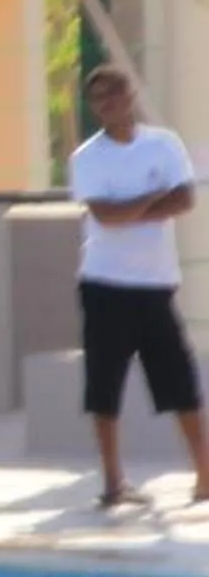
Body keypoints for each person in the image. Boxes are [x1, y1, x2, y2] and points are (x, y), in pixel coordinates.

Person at [68, 65, 209, 507]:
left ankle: (204, 476)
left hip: (155, 285)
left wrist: (133, 206)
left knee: (179, 383)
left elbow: (185, 199)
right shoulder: (87, 157)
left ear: (131, 95)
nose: (108, 103)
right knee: (104, 385)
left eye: (115, 93)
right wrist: (152, 198)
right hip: (105, 284)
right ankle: (114, 483)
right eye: (98, 98)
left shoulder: (163, 144)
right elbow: (105, 216)